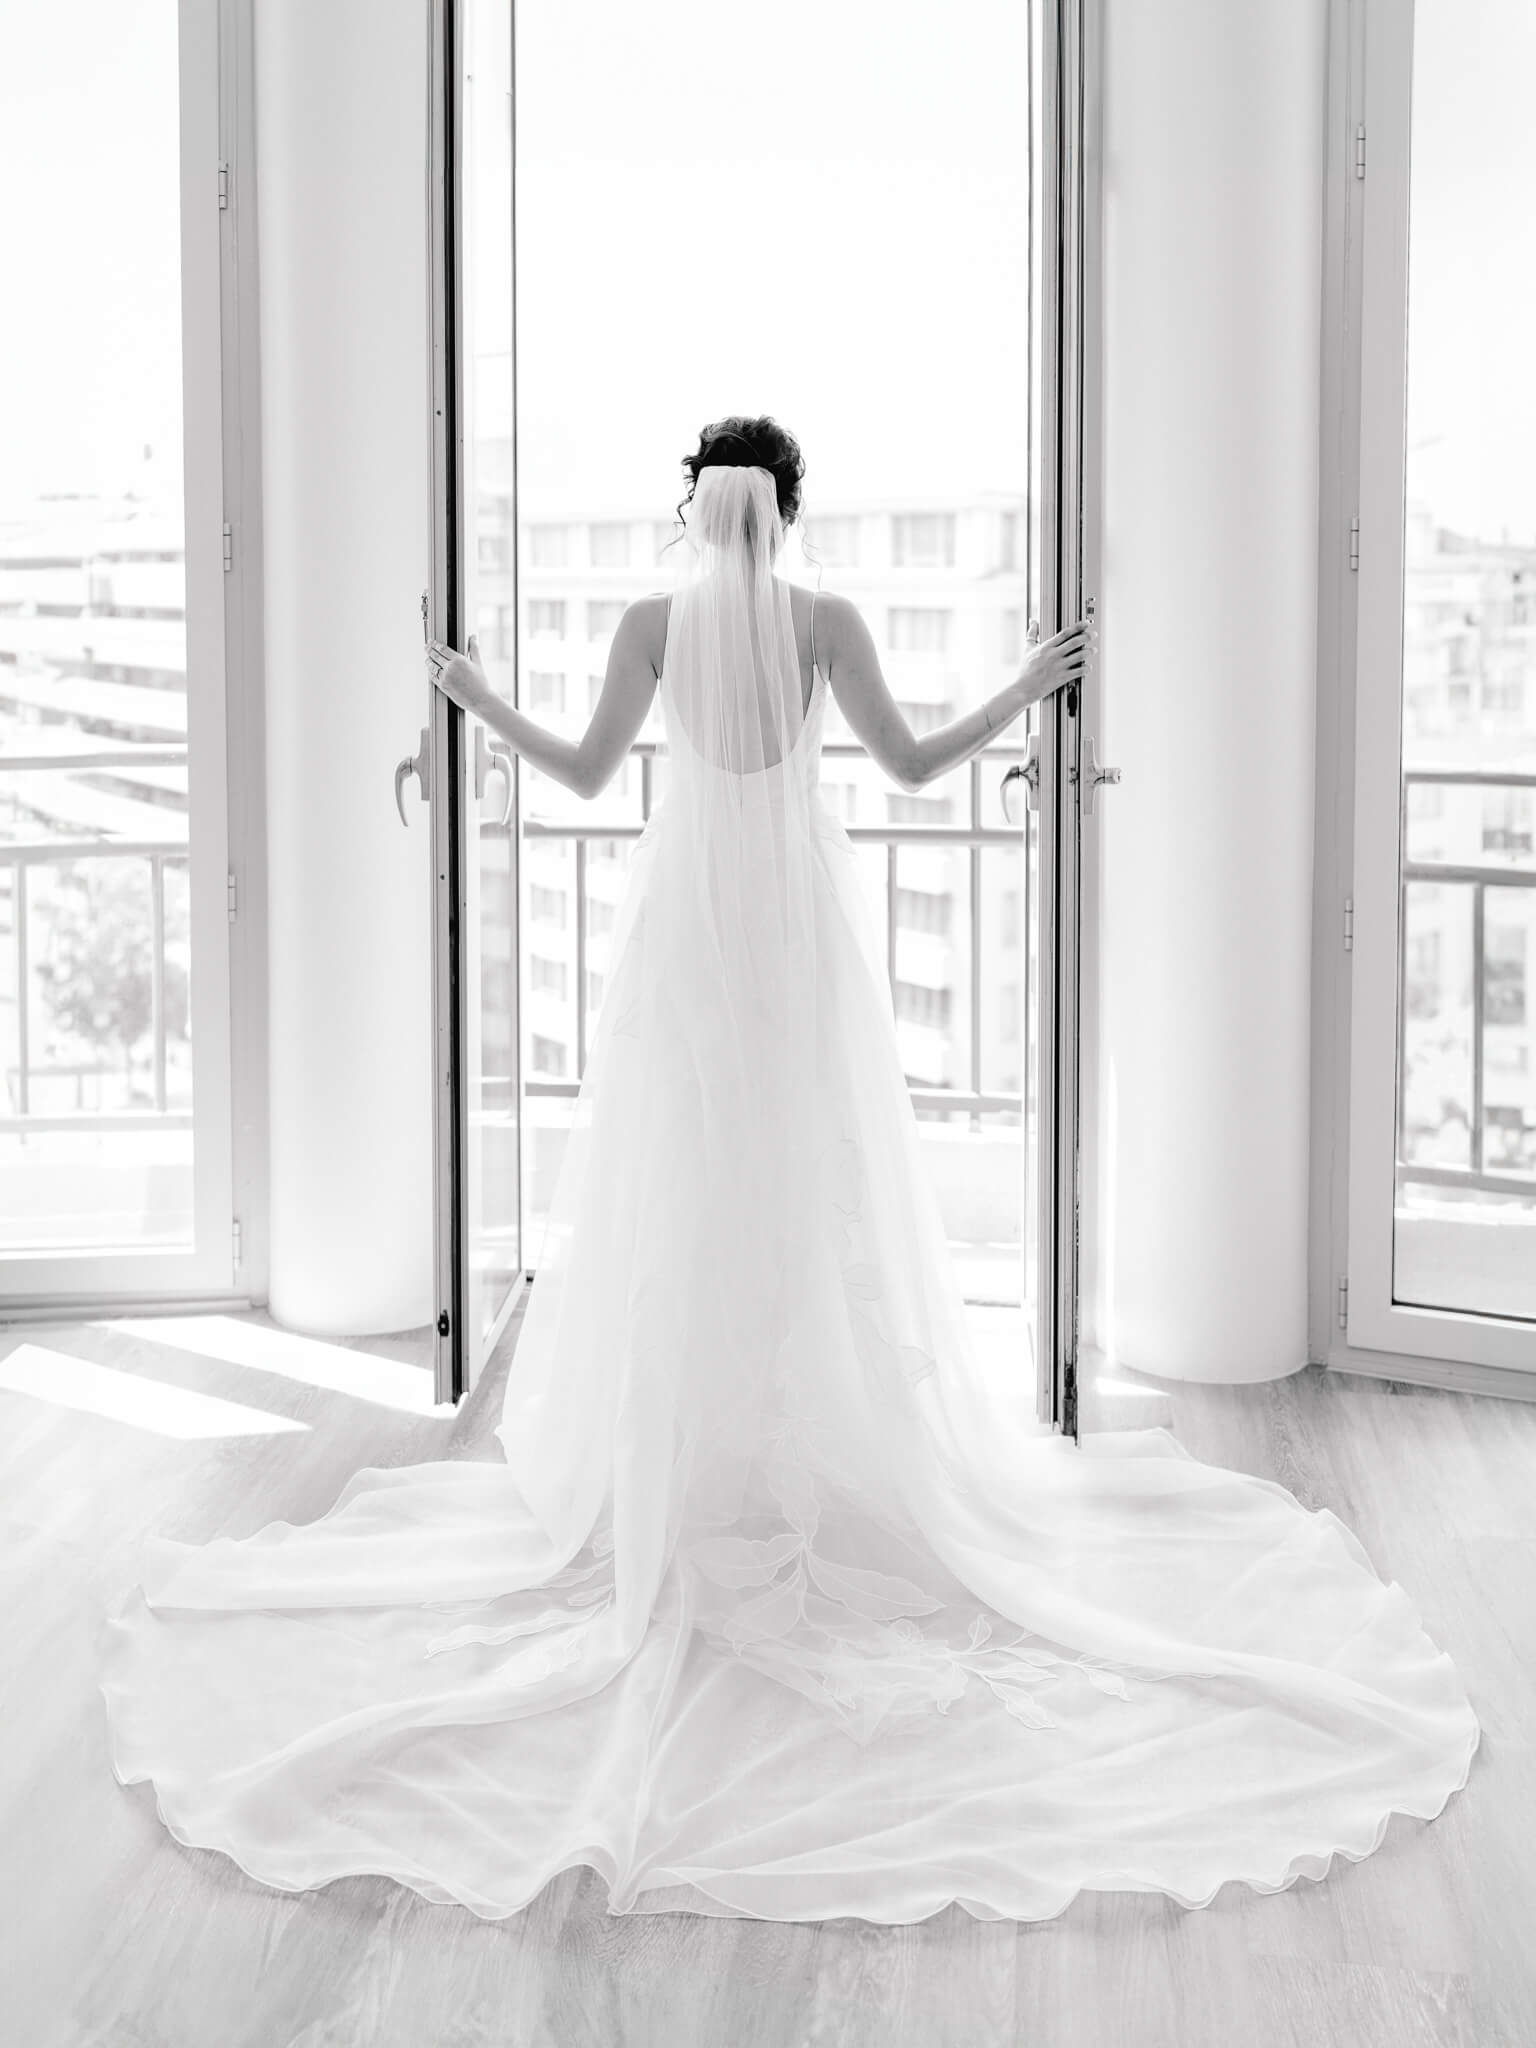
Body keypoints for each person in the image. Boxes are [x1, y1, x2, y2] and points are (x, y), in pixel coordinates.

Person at [99, 416, 1478, 1926]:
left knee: (685, 1189)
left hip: (687, 939)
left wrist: (469, 694)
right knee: (805, 1196)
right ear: (791, 510)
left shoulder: (647, 625)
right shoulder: (823, 619)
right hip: (795, 935)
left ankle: (691, 1475)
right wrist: (1026, 690)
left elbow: (569, 775)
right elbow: (902, 760)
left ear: (697, 511)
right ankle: (804, 1456)